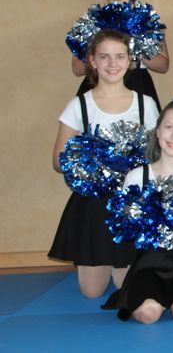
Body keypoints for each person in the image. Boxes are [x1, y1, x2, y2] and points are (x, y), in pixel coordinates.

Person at [50, 29, 159, 298]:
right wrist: (96, 164)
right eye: (104, 57)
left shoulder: (145, 104)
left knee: (127, 288)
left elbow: (158, 156)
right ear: (92, 61)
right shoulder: (80, 105)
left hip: (132, 203)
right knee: (92, 292)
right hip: (94, 204)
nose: (113, 63)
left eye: (119, 56)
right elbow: (58, 160)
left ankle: (124, 262)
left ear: (130, 60)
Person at [103, 100, 173, 323]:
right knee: (148, 314)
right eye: (169, 127)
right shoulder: (137, 176)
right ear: (157, 131)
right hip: (149, 262)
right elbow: (124, 225)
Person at [73, 0, 168, 109]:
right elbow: (77, 68)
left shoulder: (147, 18)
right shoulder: (91, 18)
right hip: (98, 84)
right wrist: (100, 51)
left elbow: (163, 66)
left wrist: (134, 45)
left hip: (138, 84)